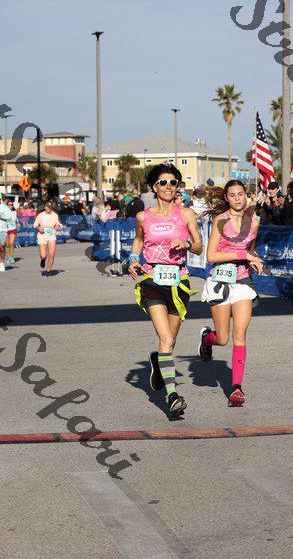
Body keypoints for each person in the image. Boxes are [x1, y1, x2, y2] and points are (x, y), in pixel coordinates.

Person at [128, 163, 202, 417]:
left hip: (179, 282)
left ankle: (157, 361)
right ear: (154, 187)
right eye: (163, 182)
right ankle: (172, 395)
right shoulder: (143, 217)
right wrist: (132, 259)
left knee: (169, 341)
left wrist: (187, 244)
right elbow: (138, 240)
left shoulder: (187, 214)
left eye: (173, 182)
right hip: (152, 281)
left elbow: (199, 247)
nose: (169, 187)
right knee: (167, 339)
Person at [197, 180, 263, 407]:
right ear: (226, 198)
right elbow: (211, 256)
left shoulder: (253, 223)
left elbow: (250, 251)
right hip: (221, 280)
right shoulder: (220, 220)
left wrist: (254, 260)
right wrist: (243, 256)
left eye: (241, 194)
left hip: (243, 281)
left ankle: (236, 388)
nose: (237, 198)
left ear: (246, 195)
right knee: (223, 338)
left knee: (240, 334)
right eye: (232, 195)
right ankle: (207, 339)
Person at [33, 201, 62, 276]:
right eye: (47, 206)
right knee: (43, 255)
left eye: (49, 207)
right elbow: (35, 225)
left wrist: (58, 226)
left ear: (51, 207)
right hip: (42, 235)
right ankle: (43, 260)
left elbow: (59, 224)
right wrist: (39, 228)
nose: (48, 208)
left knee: (51, 255)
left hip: (52, 235)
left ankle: (48, 271)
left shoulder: (55, 215)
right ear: (44, 207)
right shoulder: (41, 215)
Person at [0, 193, 13, 272]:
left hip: (2, 230)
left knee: (1, 247)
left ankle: (2, 263)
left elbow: (9, 217)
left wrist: (2, 216)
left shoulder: (4, 207)